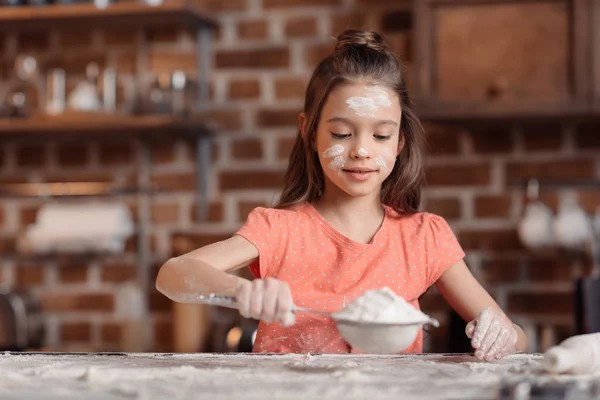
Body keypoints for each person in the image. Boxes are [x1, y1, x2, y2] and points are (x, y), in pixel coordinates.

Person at [155, 29, 528, 360]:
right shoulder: (280, 230)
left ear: (399, 141)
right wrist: (238, 290)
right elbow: (173, 274)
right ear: (310, 131)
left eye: (380, 136)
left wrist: (501, 336)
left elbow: (517, 337)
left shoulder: (424, 238)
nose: (361, 151)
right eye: (341, 134)